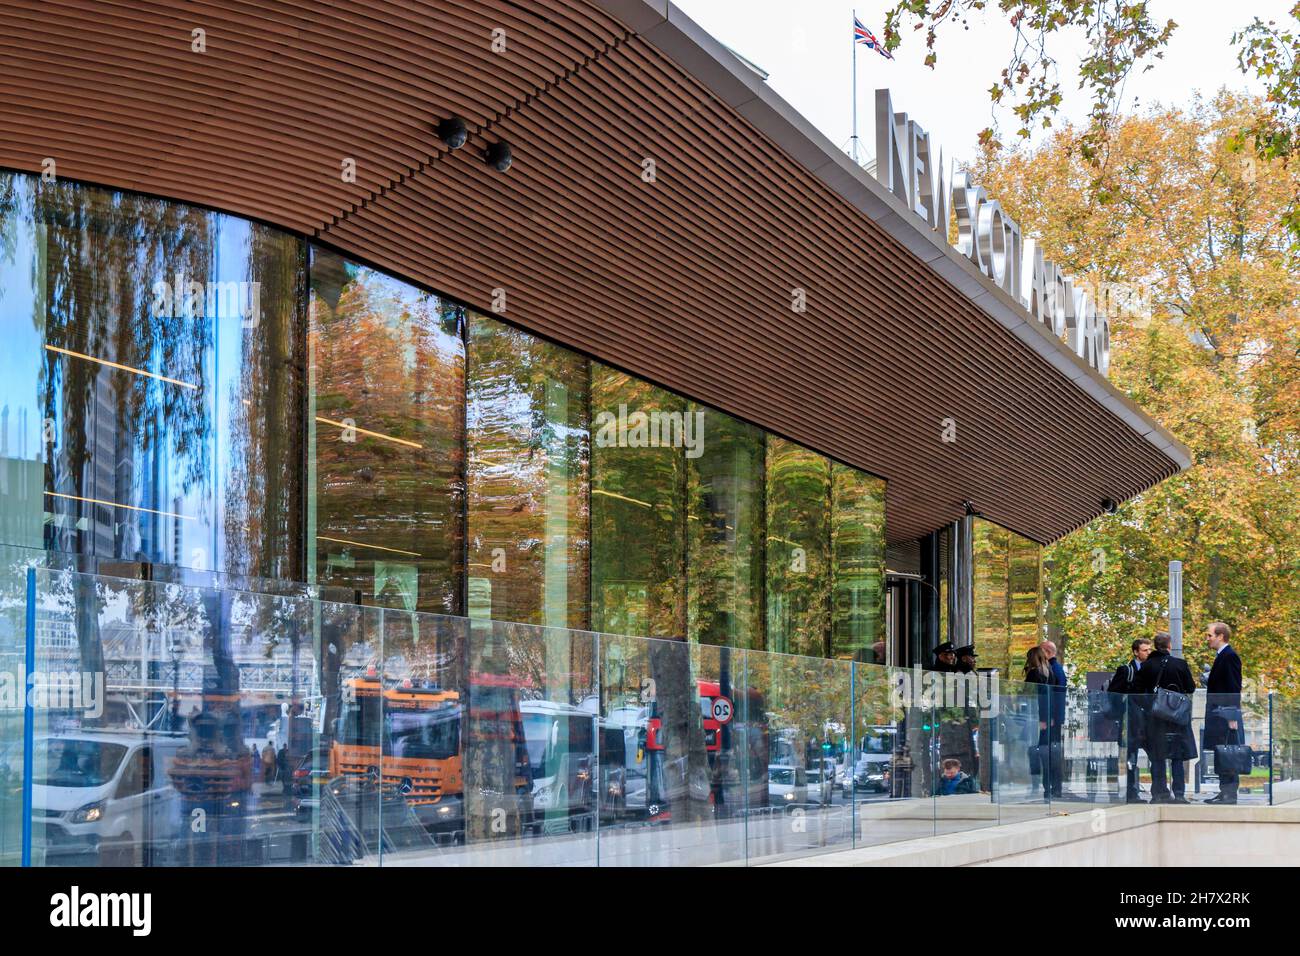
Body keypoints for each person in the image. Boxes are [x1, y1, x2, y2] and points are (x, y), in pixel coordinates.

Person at [1132, 631, 1196, 804]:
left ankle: (1159, 793)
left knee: (1158, 757)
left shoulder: (1147, 666)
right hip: (1177, 719)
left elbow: (1136, 693)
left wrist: (1151, 707)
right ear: (1169, 646)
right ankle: (1179, 794)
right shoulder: (1180, 664)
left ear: (1155, 646)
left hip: (1155, 719)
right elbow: (1190, 687)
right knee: (1177, 756)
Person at [1202, 621, 1244, 804]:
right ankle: (1224, 791)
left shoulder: (1229, 656)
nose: (1207, 639)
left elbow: (1233, 688)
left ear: (1220, 636)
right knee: (1221, 753)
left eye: (1210, 635)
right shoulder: (1222, 656)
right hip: (1218, 715)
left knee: (1228, 754)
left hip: (1224, 716)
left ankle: (1229, 794)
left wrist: (1232, 716)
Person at [1108, 638, 1152, 803]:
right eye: (1144, 650)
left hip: (1148, 722)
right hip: (1131, 721)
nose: (1148, 653)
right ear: (1135, 652)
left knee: (1155, 756)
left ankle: (1157, 791)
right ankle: (1132, 793)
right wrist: (1123, 713)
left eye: (1149, 650)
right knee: (1130, 758)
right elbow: (1114, 695)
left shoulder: (1152, 670)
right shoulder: (1126, 670)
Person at [1023, 646, 1057, 798]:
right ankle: (1047, 788)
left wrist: (1042, 719)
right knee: (1045, 754)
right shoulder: (1049, 672)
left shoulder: (1034, 673)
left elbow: (1028, 695)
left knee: (1033, 752)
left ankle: (1036, 786)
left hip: (1037, 718)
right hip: (1047, 717)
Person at [1039, 641, 1068, 797]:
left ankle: (1052, 788)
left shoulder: (1052, 670)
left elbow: (1054, 698)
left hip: (1050, 720)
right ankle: (1053, 788)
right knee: (1050, 753)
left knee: (1048, 754)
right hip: (1053, 719)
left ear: (1047, 652)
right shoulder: (1056, 669)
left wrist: (1048, 718)